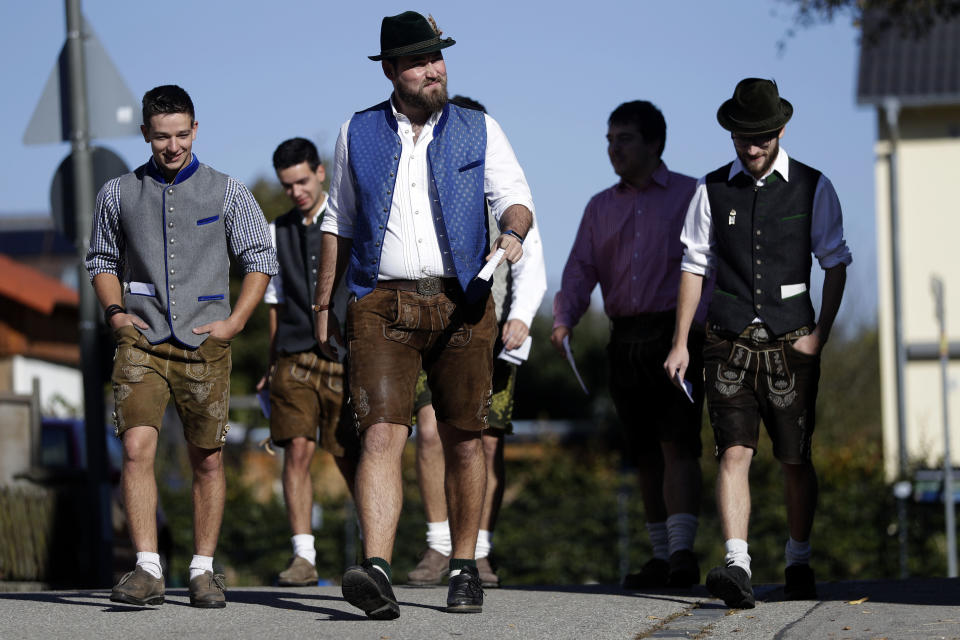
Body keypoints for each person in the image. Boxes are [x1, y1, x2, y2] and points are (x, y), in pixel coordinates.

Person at [312, 11, 535, 618]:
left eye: (438, 57)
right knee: (381, 431)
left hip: (464, 301)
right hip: (380, 301)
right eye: (418, 60)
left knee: (466, 439)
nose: (433, 68)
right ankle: (378, 569)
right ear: (390, 70)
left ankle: (465, 566)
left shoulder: (478, 128)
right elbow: (339, 219)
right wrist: (324, 301)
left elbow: (516, 199)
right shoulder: (355, 131)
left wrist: (512, 232)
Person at [85, 85, 277, 608]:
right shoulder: (118, 193)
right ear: (146, 134)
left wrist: (235, 322)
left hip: (204, 339)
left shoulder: (227, 191)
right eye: (162, 136)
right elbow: (101, 259)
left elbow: (261, 256)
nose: (173, 146)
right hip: (140, 339)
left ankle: (202, 570)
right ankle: (147, 568)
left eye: (182, 134)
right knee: (135, 448)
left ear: (196, 130)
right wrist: (116, 314)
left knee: (208, 459)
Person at [664, 78, 851, 608]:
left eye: (762, 137)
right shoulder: (710, 189)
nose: (752, 148)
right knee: (733, 452)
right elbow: (693, 265)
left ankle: (798, 559)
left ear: (781, 130)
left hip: (794, 343)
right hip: (725, 342)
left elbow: (835, 263)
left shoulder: (815, 186)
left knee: (795, 459)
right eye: (743, 138)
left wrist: (821, 336)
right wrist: (681, 341)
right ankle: (737, 565)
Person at [551, 100, 709, 590]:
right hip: (625, 339)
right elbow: (580, 269)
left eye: (625, 139)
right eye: (609, 140)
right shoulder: (600, 206)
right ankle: (660, 556)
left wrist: (697, 333)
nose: (613, 149)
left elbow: (707, 266)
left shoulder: (691, 194)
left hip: (676, 335)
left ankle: (683, 554)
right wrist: (564, 319)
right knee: (643, 451)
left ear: (654, 143)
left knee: (678, 443)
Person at [408, 95, 547, 590]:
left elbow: (531, 264)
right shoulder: (419, 183)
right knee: (428, 432)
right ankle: (439, 543)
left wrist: (523, 319)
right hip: (428, 328)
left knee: (484, 441)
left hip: (491, 336)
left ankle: (479, 550)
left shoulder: (501, 192)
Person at [256, 138, 360, 587]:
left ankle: (376, 551)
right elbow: (274, 303)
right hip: (294, 356)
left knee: (351, 457)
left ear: (320, 173)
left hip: (345, 357)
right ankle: (304, 557)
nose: (296, 191)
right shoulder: (275, 231)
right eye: (287, 185)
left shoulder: (351, 223)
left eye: (302, 180)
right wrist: (270, 363)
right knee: (296, 450)